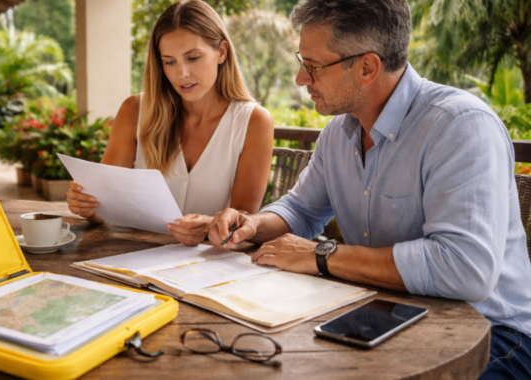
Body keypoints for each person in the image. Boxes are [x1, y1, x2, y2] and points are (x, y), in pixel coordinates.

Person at [207, 0, 531, 378]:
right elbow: (302, 210)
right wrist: (252, 225)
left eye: (312, 66)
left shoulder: (459, 127)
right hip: (384, 315)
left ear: (367, 67)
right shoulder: (337, 134)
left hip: (496, 336)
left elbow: (465, 269)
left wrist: (321, 254)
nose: (300, 78)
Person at [66, 0, 273, 246]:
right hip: (137, 256)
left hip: (212, 264)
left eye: (193, 57)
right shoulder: (134, 112)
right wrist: (88, 206)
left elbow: (243, 223)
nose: (181, 73)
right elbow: (104, 206)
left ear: (222, 52)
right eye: (169, 61)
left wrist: (208, 226)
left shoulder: (254, 122)